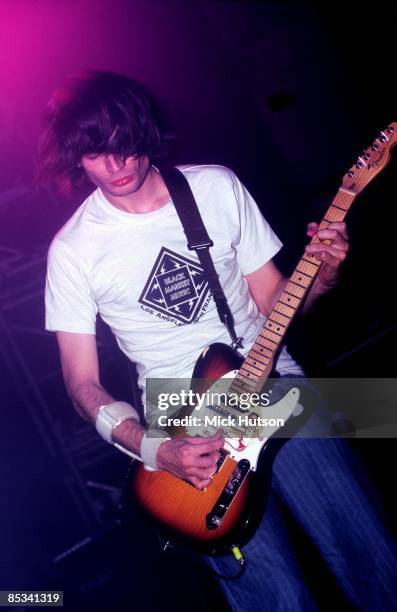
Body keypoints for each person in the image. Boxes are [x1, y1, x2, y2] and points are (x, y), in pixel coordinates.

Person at [39, 70, 397, 610]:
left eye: (124, 145)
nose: (114, 166)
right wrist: (159, 451)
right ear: (75, 155)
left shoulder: (214, 187)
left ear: (145, 132)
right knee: (276, 600)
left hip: (275, 388)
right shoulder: (72, 251)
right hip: (179, 418)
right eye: (94, 154)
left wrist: (322, 276)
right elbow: (81, 384)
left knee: (374, 561)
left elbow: (275, 302)